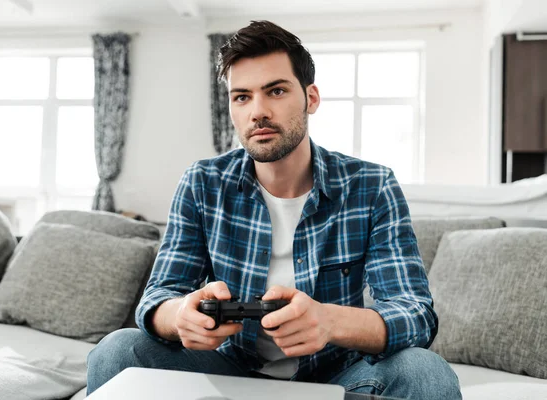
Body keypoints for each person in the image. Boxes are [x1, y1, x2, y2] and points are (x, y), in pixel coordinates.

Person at [86, 20, 461, 399]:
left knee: (425, 372)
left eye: (276, 91)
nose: (258, 111)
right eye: (242, 96)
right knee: (117, 351)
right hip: (230, 371)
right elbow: (158, 297)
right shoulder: (202, 183)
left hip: (338, 376)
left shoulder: (371, 184)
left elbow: (415, 313)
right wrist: (180, 314)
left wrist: (329, 322)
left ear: (310, 98)